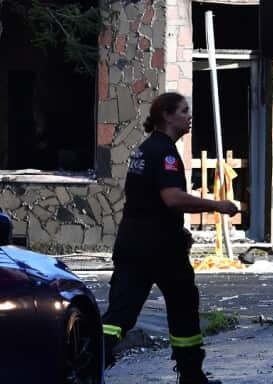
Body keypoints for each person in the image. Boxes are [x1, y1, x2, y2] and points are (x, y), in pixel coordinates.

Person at [101, 93, 239, 384]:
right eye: (184, 111)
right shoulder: (164, 153)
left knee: (120, 313)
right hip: (160, 249)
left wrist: (178, 229)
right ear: (167, 115)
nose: (189, 116)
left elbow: (146, 201)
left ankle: (86, 364)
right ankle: (191, 375)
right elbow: (172, 198)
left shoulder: (144, 150)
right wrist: (218, 205)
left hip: (133, 242)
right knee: (183, 306)